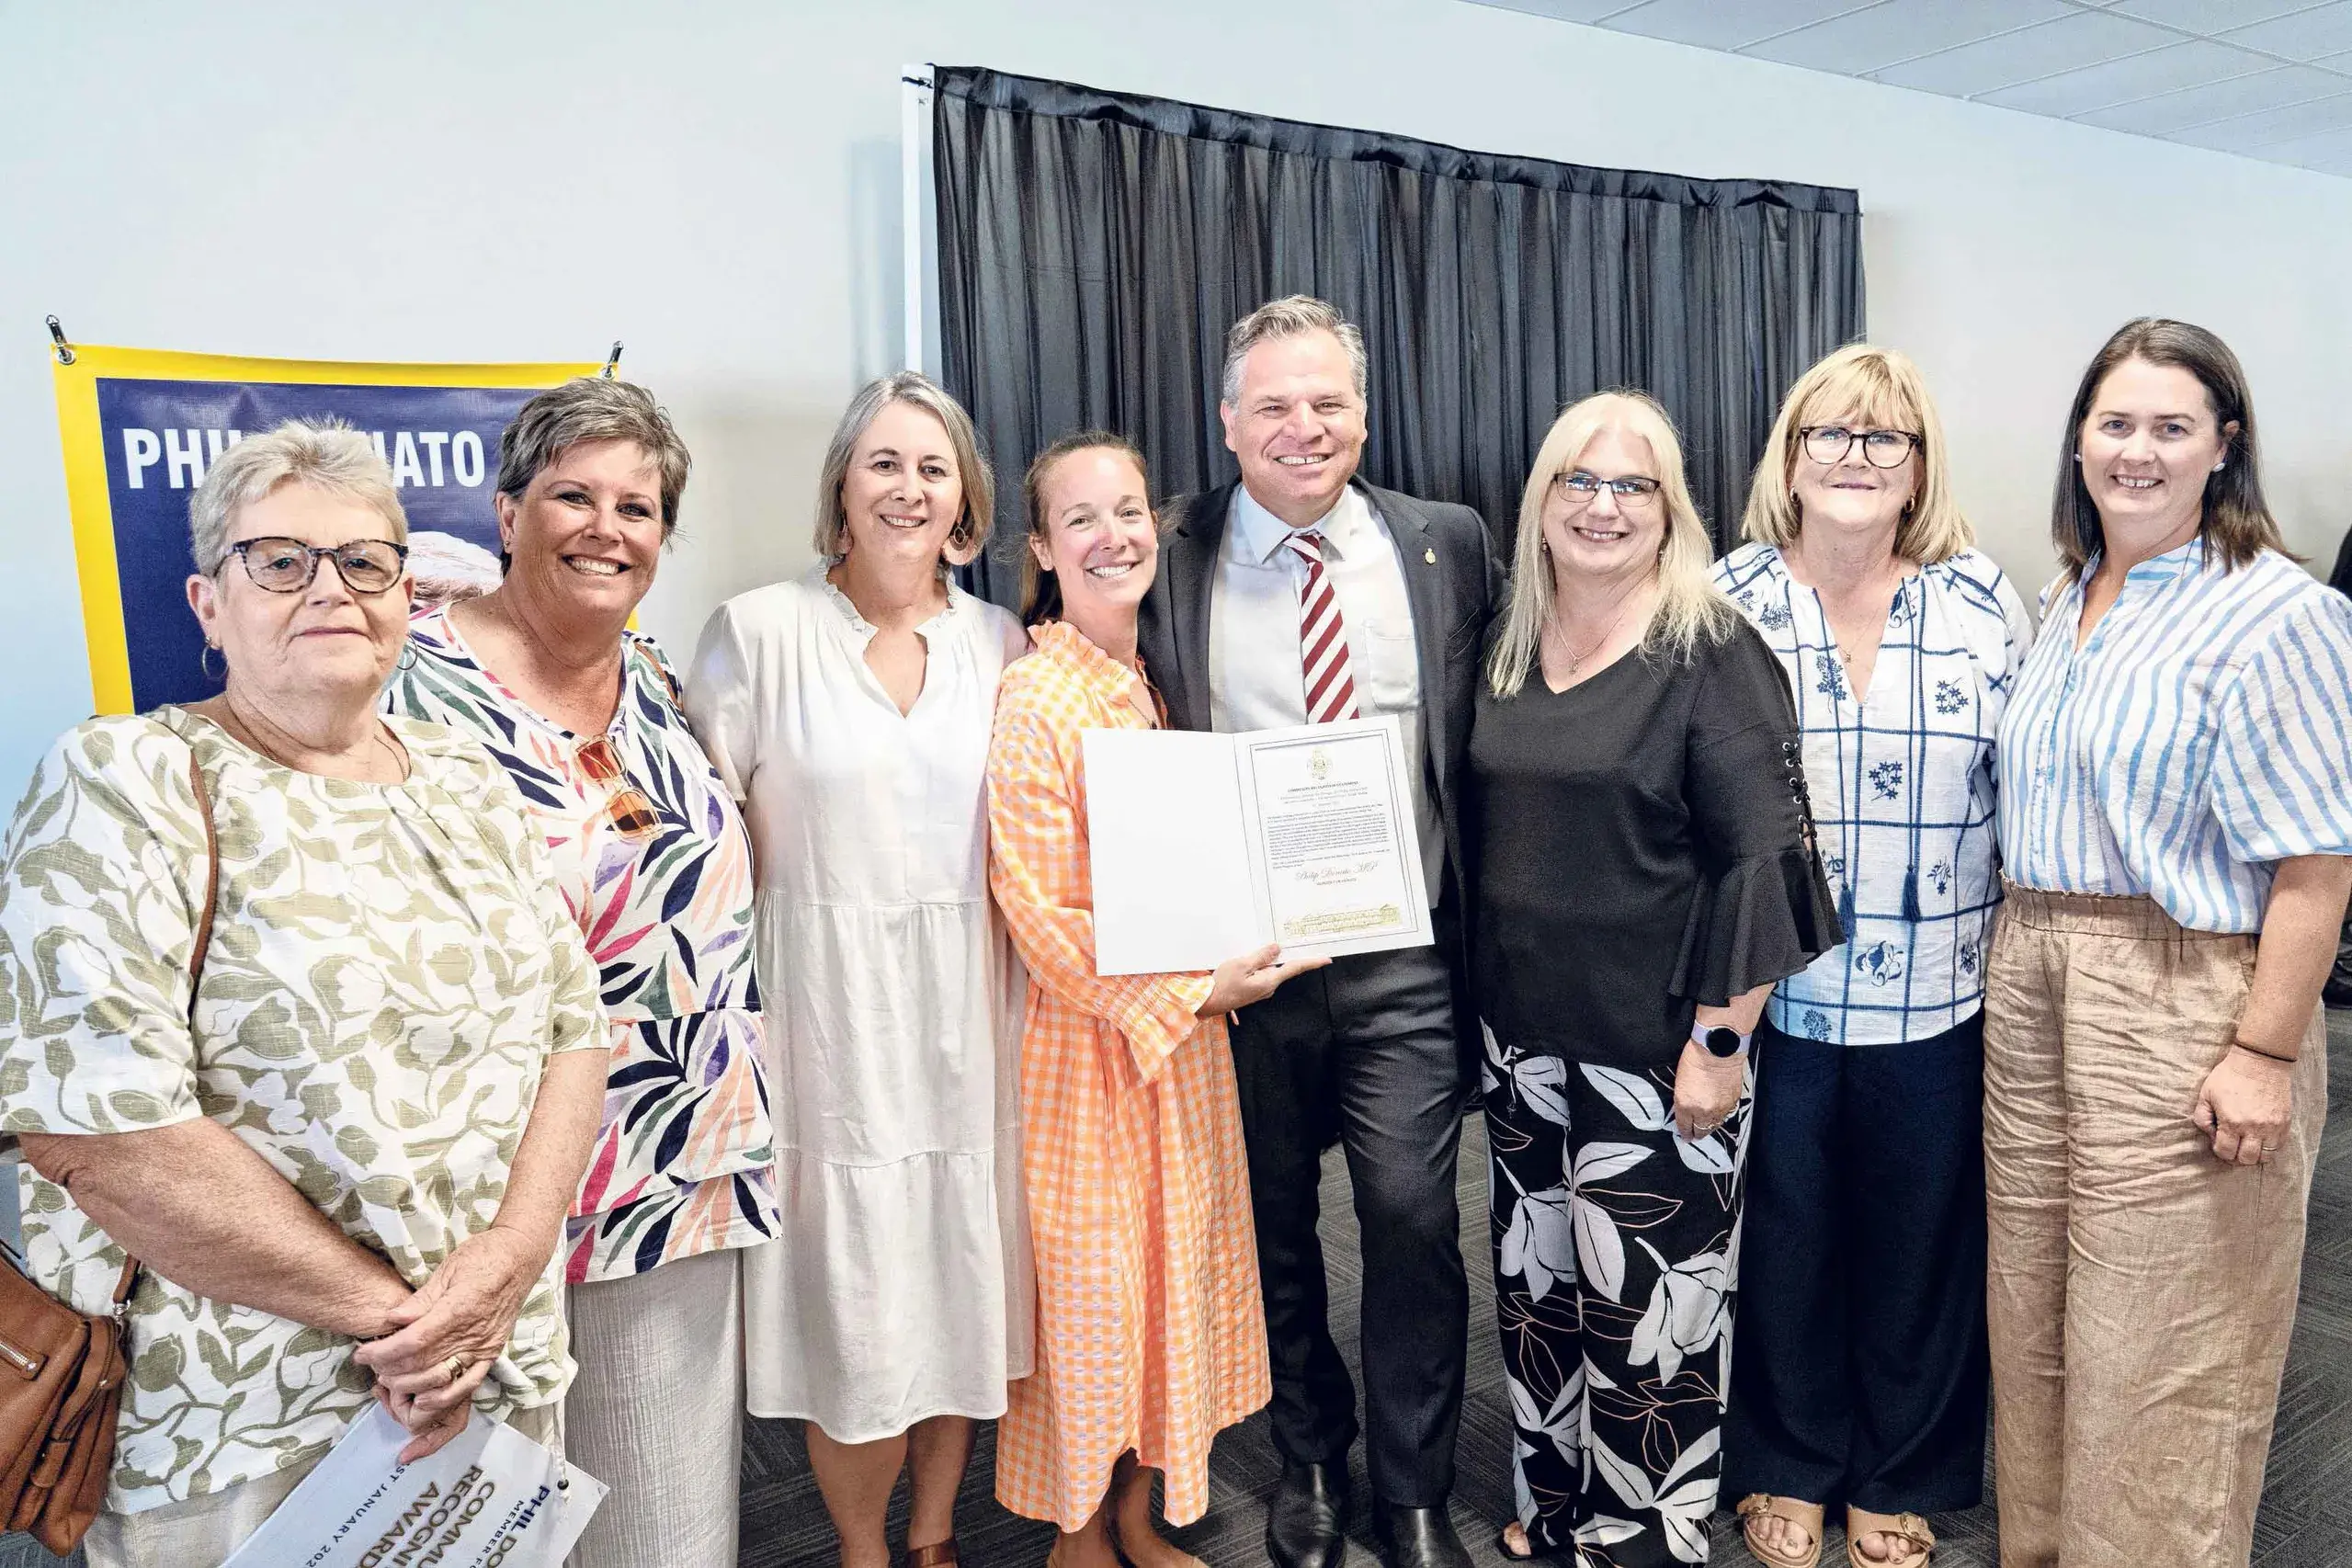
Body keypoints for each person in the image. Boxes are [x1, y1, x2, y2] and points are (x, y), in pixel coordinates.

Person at [0, 421, 605, 1567]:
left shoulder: (465, 778)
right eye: (280, 559)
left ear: (402, 590)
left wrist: (510, 1263)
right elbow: (101, 1134)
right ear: (206, 600)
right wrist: (408, 1326)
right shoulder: (125, 779)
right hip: (245, 1415)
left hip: (493, 1363)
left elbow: (576, 1030)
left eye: (364, 560)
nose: (330, 587)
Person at [383, 378, 777, 1568]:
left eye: (636, 506)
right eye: (572, 495)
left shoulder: (652, 678)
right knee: (491, 1528)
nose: (606, 526)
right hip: (497, 1201)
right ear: (507, 512)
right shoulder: (411, 689)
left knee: (665, 1519)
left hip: (677, 1168)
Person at [1136, 295, 1501, 1568]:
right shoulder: (1166, 548)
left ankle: (1411, 1484)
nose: (1304, 425)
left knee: (1410, 1217)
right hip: (1244, 964)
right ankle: (1307, 1459)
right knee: (1271, 1222)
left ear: (1362, 412)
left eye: (1327, 401)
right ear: (1226, 420)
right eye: (1275, 403)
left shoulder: (1444, 543)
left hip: (1400, 952)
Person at [1986, 318, 2352, 1568]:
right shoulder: (2061, 593)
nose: (2133, 450)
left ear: (2221, 445)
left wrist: (2263, 1048)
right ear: (2077, 438)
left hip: (2182, 984)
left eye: (2168, 426)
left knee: (2164, 1338)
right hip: (2029, 965)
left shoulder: (2272, 609)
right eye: (2112, 422)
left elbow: (2315, 860)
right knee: (2035, 1311)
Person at [1467, 391, 1839, 1568]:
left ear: (1671, 508)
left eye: (1632, 484)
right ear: (1540, 502)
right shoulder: (1509, 637)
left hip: (1658, 1057)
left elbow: (1765, 862)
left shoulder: (1712, 653)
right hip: (1520, 1048)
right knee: (1541, 1303)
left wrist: (1720, 1046)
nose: (1602, 505)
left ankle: (1641, 1538)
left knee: (1653, 1328)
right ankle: (1562, 1498)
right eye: (1578, 479)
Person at [684, 373, 1033, 1568]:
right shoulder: (758, 632)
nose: (907, 487)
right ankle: (858, 1547)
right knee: (853, 1302)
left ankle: (932, 1535)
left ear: (965, 500)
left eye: (932, 468)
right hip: (823, 1018)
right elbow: (697, 852)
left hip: (968, 1020)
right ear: (842, 483)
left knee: (953, 1283)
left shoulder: (1000, 642)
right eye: (883, 462)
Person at [1709, 347, 2030, 1568]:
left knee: (1915, 1246)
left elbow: (2027, 788)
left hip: (1937, 995)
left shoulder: (1974, 599)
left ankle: (1896, 1470)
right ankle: (1783, 1462)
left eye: (1880, 439)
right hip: (1769, 996)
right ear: (1788, 458)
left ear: (1916, 469)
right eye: (1827, 434)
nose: (1852, 456)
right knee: (1782, 1240)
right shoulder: (1723, 596)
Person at [988, 429, 1314, 1568]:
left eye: (1129, 511)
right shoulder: (1037, 692)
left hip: (1182, 1052)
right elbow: (1038, 911)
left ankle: (1137, 1512)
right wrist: (1198, 984)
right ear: (1039, 546)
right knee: (1093, 1302)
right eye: (1081, 518)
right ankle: (1077, 1537)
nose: (1112, 535)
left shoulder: (1148, 682)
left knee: (1163, 1292)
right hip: (1091, 1059)